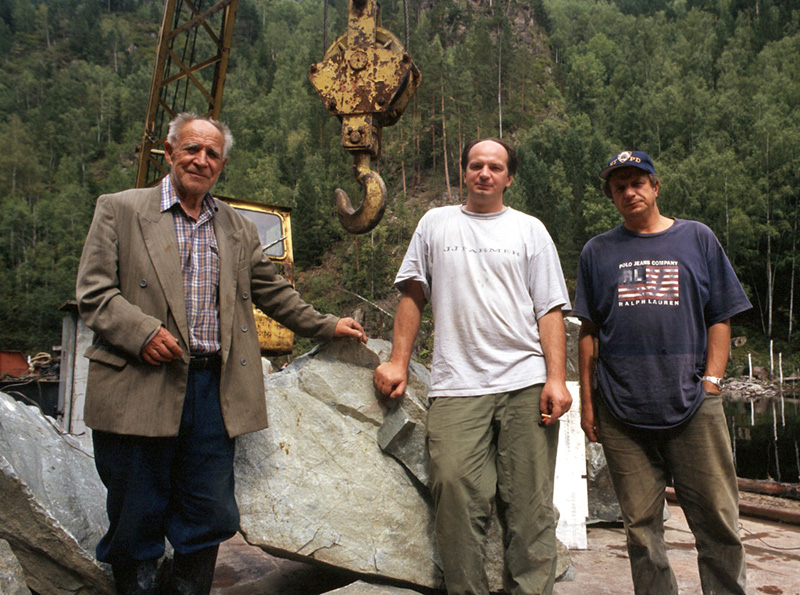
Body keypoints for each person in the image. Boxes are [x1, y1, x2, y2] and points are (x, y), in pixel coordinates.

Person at [76, 113, 367, 595]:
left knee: (209, 512)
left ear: (222, 165)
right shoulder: (120, 209)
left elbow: (273, 293)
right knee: (135, 511)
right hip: (138, 383)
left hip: (213, 389)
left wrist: (327, 324)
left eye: (212, 154)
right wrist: (142, 332)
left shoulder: (235, 227)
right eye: (191, 149)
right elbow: (94, 293)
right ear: (169, 152)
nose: (201, 160)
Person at [373, 138, 572, 595]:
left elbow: (549, 309)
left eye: (495, 167)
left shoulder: (529, 230)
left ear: (509, 177)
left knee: (530, 505)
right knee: (454, 491)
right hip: (457, 383)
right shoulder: (435, 223)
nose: (485, 173)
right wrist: (398, 362)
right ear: (463, 171)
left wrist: (557, 379)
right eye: (476, 165)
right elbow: (413, 294)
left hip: (526, 381)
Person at [573, 150, 750, 594]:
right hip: (621, 409)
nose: (629, 192)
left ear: (655, 186)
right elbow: (588, 332)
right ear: (612, 196)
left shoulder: (697, 238)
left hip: (694, 404)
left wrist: (712, 382)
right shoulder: (597, 251)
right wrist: (588, 406)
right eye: (619, 187)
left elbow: (720, 315)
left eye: (638, 182)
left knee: (718, 521)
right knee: (641, 529)